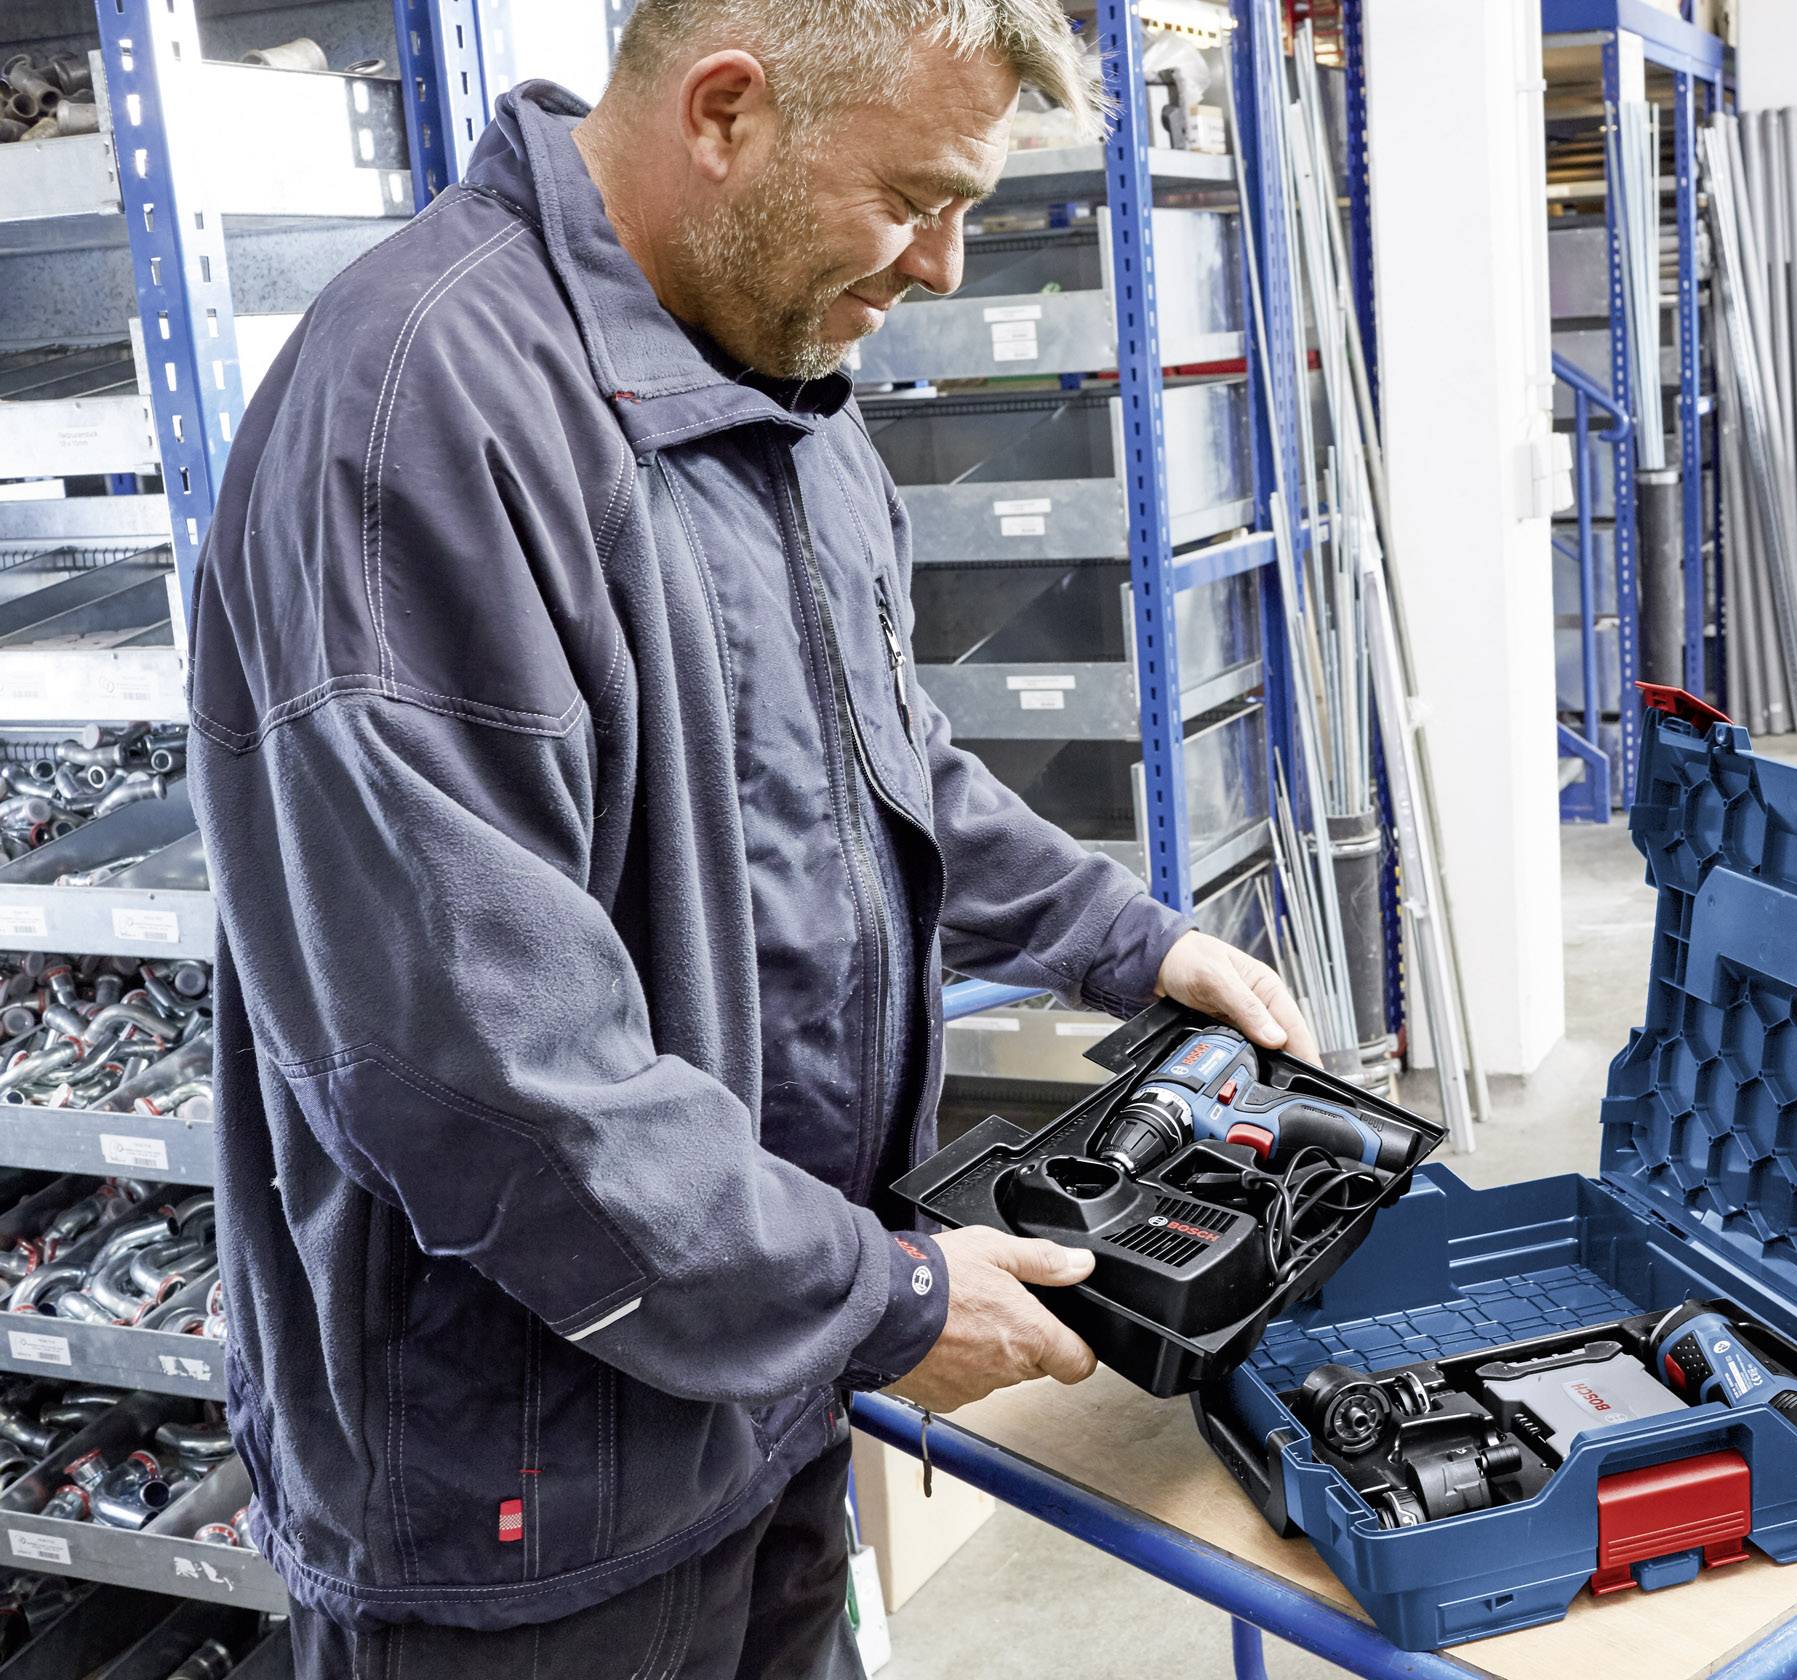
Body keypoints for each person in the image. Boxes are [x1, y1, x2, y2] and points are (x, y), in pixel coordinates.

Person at [187, 3, 1316, 1673]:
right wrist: (884, 1303)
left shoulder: (781, 376)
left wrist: (1127, 938)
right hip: (530, 1484)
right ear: (725, 113)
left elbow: (876, 757)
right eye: (914, 197)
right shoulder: (419, 418)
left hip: (760, 1386)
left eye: (972, 210)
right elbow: (485, 1074)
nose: (940, 266)